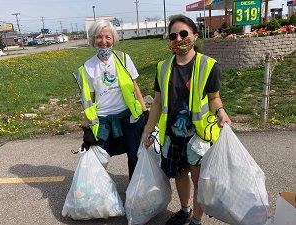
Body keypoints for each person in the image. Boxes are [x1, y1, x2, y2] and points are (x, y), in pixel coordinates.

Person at [142, 16, 231, 225]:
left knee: (198, 179)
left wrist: (221, 112)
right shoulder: (162, 67)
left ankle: (196, 220)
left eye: (184, 33)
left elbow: (214, 98)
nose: (179, 38)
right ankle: (185, 210)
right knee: (180, 174)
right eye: (173, 35)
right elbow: (156, 102)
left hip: (197, 134)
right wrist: (148, 130)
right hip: (172, 134)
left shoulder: (209, 66)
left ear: (194, 35)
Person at [74, 19, 148, 180]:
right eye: (99, 37)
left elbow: (135, 87)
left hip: (128, 116)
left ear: (114, 39)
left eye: (108, 37)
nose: (103, 42)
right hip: (103, 120)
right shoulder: (87, 67)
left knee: (135, 156)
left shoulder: (123, 59)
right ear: (93, 40)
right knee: (100, 159)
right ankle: (101, 195)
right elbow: (88, 100)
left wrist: (145, 111)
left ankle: (135, 194)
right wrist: (87, 128)